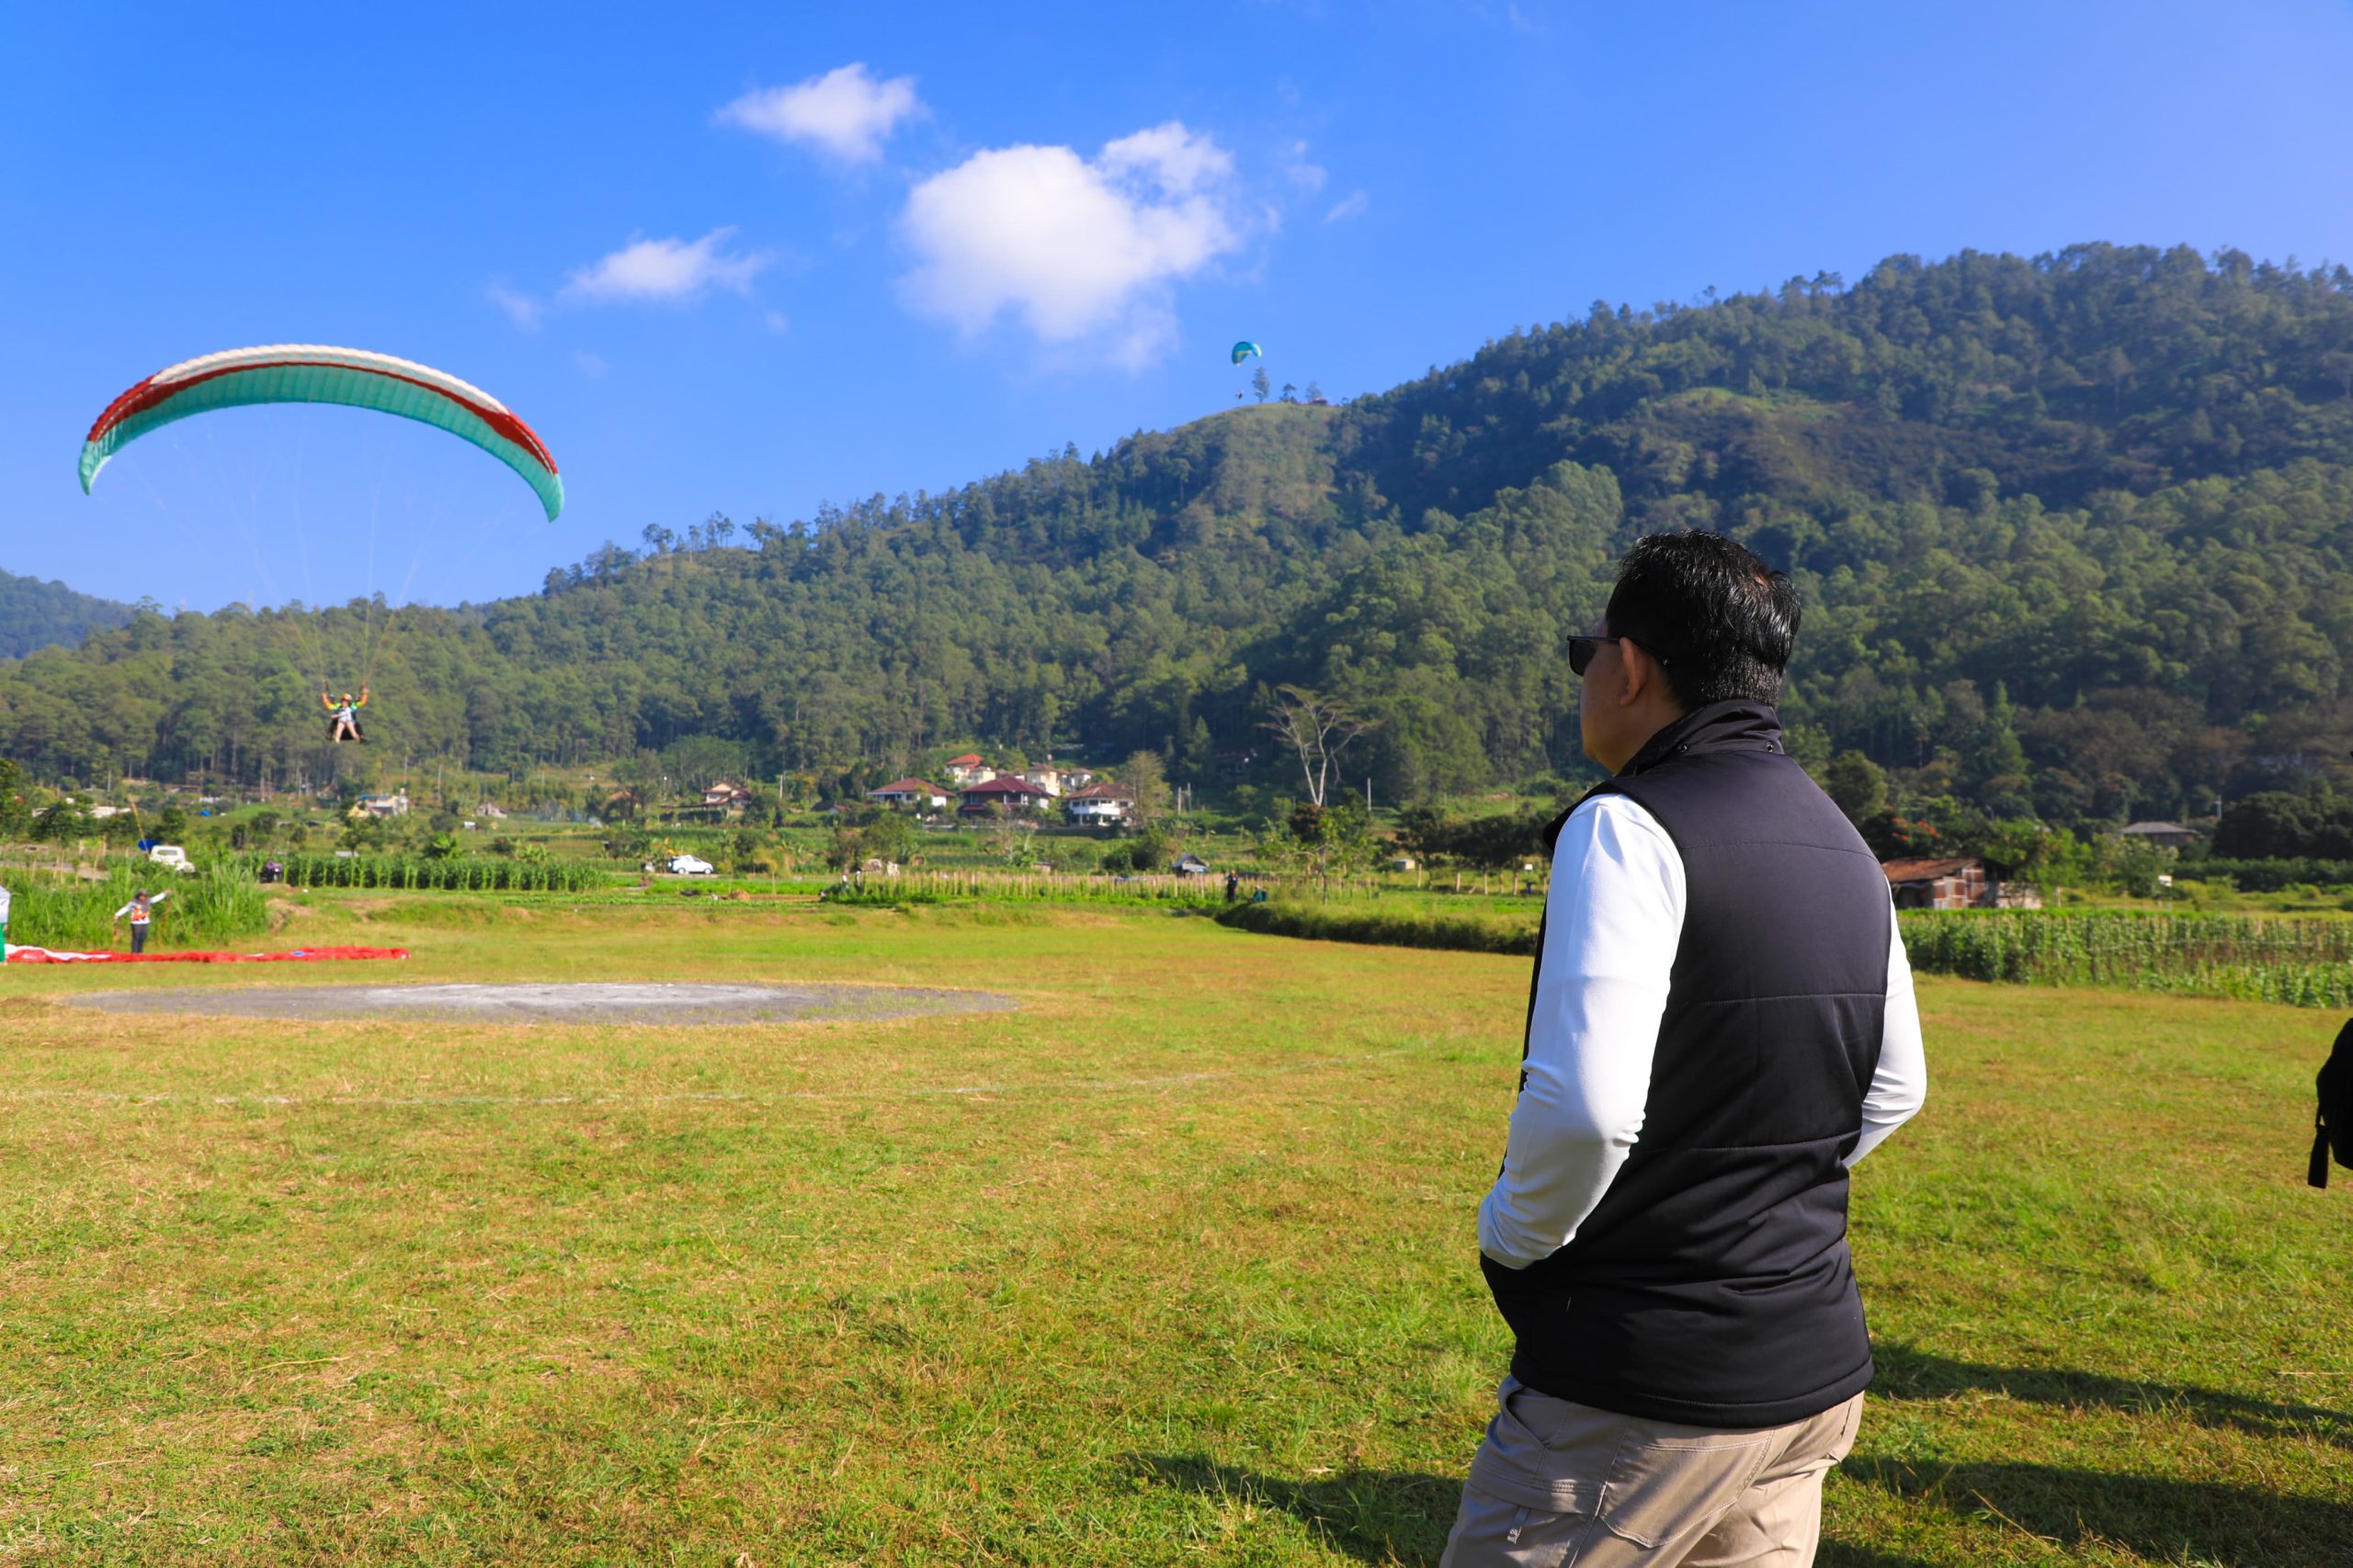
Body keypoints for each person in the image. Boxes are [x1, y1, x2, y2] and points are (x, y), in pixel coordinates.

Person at [1442, 531, 1928, 1568]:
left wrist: (1510, 1232)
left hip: (1634, 1392)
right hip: (1809, 1374)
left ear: (1630, 664)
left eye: (1589, 654)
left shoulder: (1627, 825)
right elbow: (1892, 1087)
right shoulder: (1844, 840)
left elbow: (1585, 1110)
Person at [112, 888, 168, 955]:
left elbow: (156, 898)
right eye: (141, 895)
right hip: (136, 923)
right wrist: (117, 914)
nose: (143, 897)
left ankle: (140, 953)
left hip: (145, 922)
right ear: (138, 895)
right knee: (136, 937)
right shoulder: (133, 902)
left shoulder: (148, 901)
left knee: (143, 937)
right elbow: (125, 909)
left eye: (144, 896)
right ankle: (134, 953)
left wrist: (164, 893)